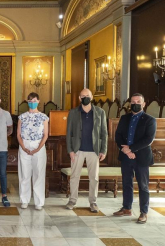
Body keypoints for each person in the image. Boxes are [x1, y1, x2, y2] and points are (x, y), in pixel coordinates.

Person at [113, 93, 156, 224]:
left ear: (143, 104)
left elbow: (148, 139)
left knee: (143, 186)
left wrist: (131, 149)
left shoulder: (149, 120)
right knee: (126, 184)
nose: (135, 104)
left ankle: (143, 212)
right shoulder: (124, 118)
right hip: (126, 157)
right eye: (133, 102)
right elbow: (118, 135)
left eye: (138, 102)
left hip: (141, 157)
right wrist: (125, 150)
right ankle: (127, 208)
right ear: (130, 104)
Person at [65, 88, 107, 212]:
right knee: (74, 176)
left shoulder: (100, 112)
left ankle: (93, 202)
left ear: (91, 97)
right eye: (82, 96)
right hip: (77, 150)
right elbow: (69, 133)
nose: (85, 98)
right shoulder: (73, 112)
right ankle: (72, 200)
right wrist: (70, 150)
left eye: (87, 95)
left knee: (94, 177)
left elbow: (104, 133)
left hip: (94, 150)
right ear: (79, 98)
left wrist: (103, 150)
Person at [17, 92, 49, 210]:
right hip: (24, 144)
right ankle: (24, 200)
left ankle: (39, 202)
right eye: (30, 101)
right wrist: (24, 147)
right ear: (27, 102)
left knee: (38, 174)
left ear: (38, 101)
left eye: (34, 100)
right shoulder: (22, 117)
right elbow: (18, 134)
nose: (32, 103)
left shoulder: (43, 117)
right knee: (24, 174)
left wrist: (38, 148)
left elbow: (45, 135)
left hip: (38, 145)